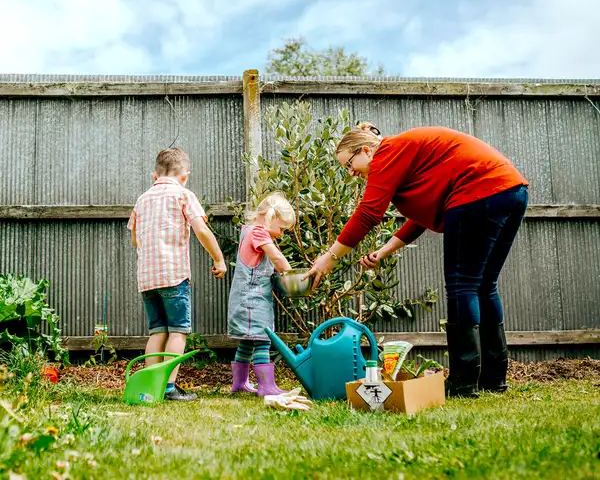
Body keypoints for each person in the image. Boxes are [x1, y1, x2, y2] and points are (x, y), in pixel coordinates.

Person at [306, 124, 528, 398]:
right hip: (511, 190)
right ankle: (494, 379)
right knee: (484, 286)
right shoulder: (404, 156)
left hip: (478, 193)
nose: (351, 173)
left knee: (462, 286)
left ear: (366, 150)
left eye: (349, 164)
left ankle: (463, 381)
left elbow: (368, 214)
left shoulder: (386, 152)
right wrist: (384, 251)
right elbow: (420, 217)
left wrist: (330, 257)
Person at [128, 147, 226, 402]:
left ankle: (151, 385)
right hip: (173, 275)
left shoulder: (142, 199)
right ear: (184, 175)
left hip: (147, 278)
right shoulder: (183, 194)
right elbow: (201, 230)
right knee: (178, 332)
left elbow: (135, 238)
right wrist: (218, 258)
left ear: (155, 175)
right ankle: (169, 387)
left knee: (157, 332)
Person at [228, 192, 295, 396]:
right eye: (282, 228)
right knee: (263, 340)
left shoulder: (248, 230)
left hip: (250, 299)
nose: (281, 234)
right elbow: (275, 256)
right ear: (271, 217)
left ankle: (240, 384)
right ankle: (266, 386)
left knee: (248, 341)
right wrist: (291, 274)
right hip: (251, 300)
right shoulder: (259, 232)